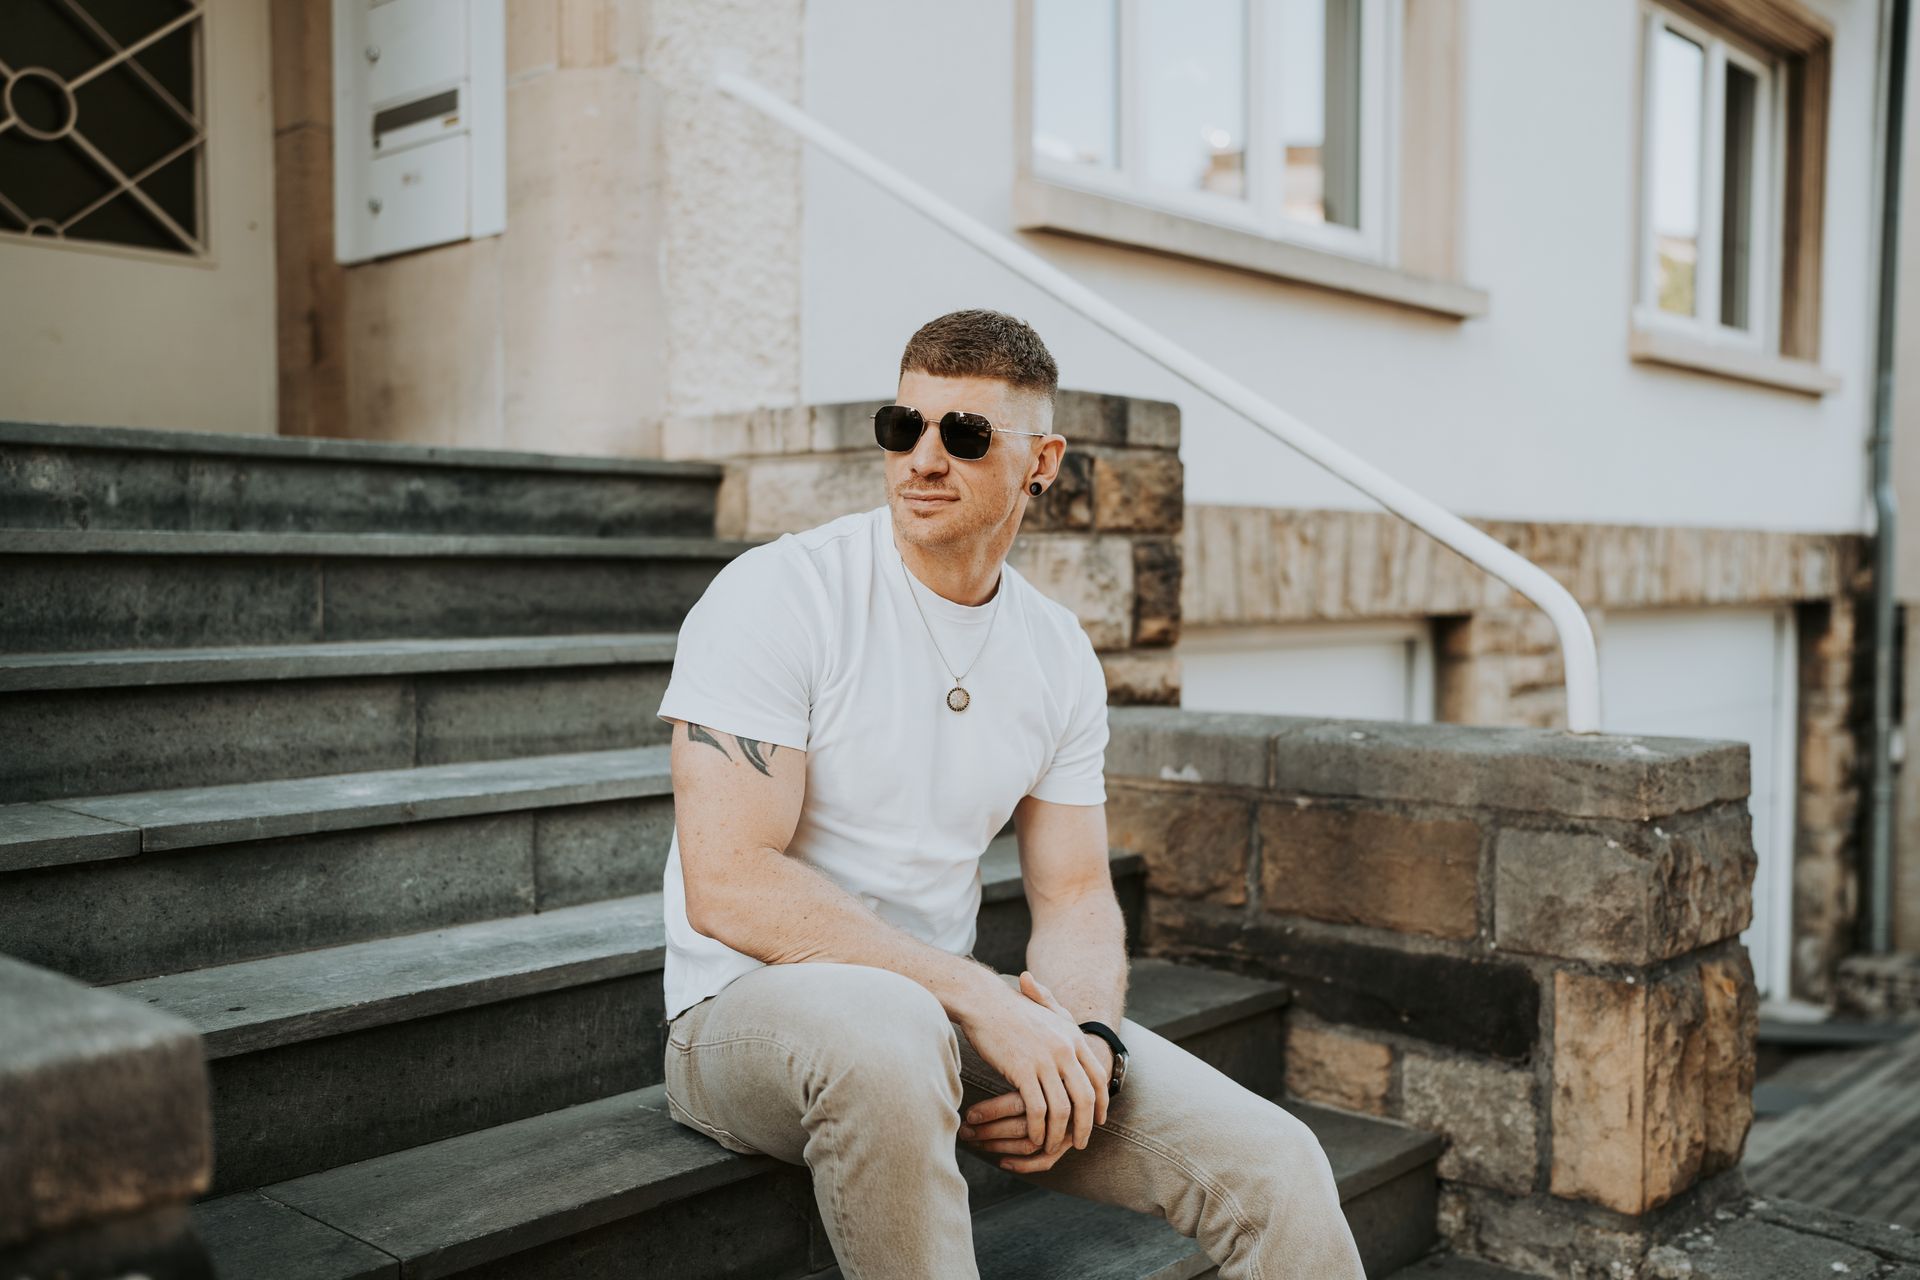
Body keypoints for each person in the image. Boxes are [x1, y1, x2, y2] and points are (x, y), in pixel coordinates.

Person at [657, 308, 1364, 1278]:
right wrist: (977, 999)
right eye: (903, 426)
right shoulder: (782, 593)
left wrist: (1089, 1042)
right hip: (741, 1014)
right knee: (894, 1030)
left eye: (966, 433)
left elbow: (1073, 894)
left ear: (1043, 461)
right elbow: (729, 881)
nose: (923, 459)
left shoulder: (1055, 651)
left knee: (1277, 1164)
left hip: (939, 1015)